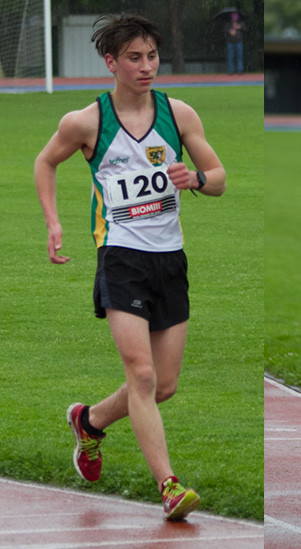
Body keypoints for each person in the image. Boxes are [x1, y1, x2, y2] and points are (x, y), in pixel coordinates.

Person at [34, 14, 226, 521]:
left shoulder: (178, 113)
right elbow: (45, 162)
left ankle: (90, 422)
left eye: (152, 57)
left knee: (164, 385)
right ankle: (169, 486)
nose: (146, 67)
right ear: (111, 63)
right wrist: (54, 223)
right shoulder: (86, 122)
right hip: (119, 257)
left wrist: (197, 177)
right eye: (135, 58)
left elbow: (221, 178)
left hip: (171, 258)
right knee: (140, 375)